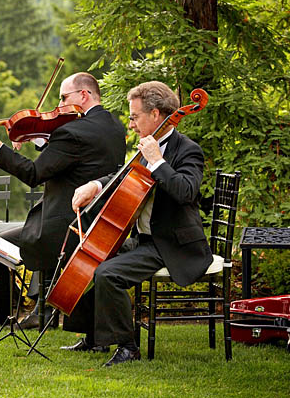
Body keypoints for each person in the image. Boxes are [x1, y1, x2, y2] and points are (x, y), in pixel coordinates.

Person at [0, 73, 126, 329]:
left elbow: (34, 174)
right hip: (98, 220)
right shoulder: (114, 126)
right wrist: (38, 136)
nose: (58, 107)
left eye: (63, 98)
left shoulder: (72, 132)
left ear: (83, 95)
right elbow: (73, 157)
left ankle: (0, 311)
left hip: (64, 224)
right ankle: (41, 311)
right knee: (31, 231)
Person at [67, 81, 212, 367]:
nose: (131, 124)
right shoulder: (147, 146)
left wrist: (157, 161)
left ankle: (128, 346)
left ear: (156, 114)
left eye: (134, 117)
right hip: (146, 239)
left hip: (171, 243)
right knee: (90, 254)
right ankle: (95, 337)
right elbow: (122, 177)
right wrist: (95, 185)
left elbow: (186, 191)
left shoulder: (186, 150)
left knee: (109, 273)